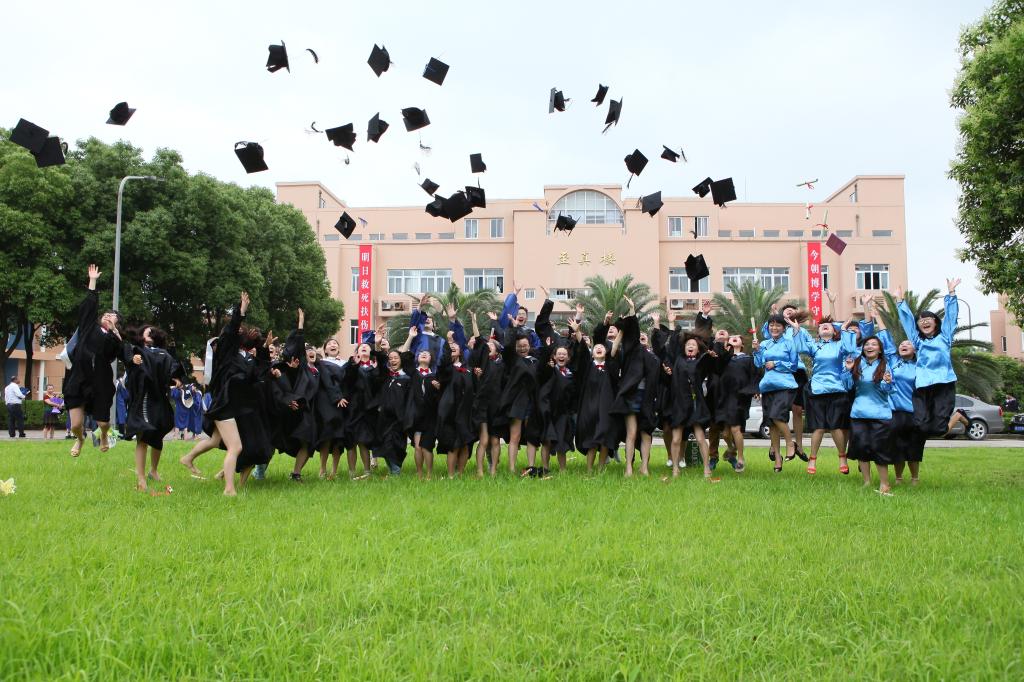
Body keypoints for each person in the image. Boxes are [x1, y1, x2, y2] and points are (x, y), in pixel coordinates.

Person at [179, 293, 274, 495]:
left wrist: (264, 348)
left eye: (242, 330)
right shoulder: (226, 352)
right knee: (236, 447)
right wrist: (241, 312)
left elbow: (259, 373)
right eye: (237, 329)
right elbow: (230, 331)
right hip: (225, 405)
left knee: (216, 441)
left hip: (237, 407)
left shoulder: (246, 357)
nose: (240, 330)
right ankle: (229, 488)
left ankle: (188, 458)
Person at [896, 280, 970, 437]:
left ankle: (959, 415)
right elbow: (907, 322)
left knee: (938, 429)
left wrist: (951, 293)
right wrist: (900, 301)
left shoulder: (945, 337)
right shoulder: (917, 341)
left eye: (928, 319)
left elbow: (951, 317)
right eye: (921, 320)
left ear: (936, 322)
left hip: (944, 384)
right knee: (921, 425)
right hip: (923, 386)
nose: (924, 321)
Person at [62, 265, 123, 456]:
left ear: (117, 323)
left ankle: (104, 434)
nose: (107, 316)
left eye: (112, 316)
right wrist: (93, 281)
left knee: (103, 423)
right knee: (76, 425)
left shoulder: (113, 338)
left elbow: (118, 352)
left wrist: (115, 333)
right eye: (105, 315)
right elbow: (89, 307)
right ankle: (80, 439)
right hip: (79, 378)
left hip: (100, 381)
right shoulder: (89, 328)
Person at [790, 315, 855, 475]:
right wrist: (797, 330)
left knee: (835, 427)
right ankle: (812, 459)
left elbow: (850, 349)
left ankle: (842, 457)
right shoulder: (814, 345)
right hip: (817, 389)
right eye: (821, 325)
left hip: (837, 389)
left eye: (829, 325)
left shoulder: (840, 344)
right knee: (818, 428)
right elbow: (799, 347)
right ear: (818, 332)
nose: (825, 326)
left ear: (834, 331)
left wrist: (844, 330)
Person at [122, 325, 183, 491]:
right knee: (143, 435)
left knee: (158, 434)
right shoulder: (136, 349)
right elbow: (128, 359)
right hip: (144, 397)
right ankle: (141, 478)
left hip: (160, 399)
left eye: (152, 331)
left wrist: (176, 379)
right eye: (146, 330)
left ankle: (153, 471)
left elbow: (171, 371)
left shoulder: (164, 354)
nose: (150, 332)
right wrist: (133, 360)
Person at [875, 309, 926, 486]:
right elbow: (885, 337)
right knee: (896, 447)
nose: (903, 345)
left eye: (908, 343)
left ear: (915, 349)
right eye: (901, 344)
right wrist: (877, 316)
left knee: (913, 447)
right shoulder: (892, 361)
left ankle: (915, 479)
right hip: (893, 412)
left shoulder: (920, 366)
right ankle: (898, 478)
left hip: (914, 412)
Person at [841, 336, 896, 495]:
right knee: (861, 448)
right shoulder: (857, 363)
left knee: (879, 449)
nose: (869, 347)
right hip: (859, 413)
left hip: (880, 414)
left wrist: (887, 382)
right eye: (867, 344)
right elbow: (847, 386)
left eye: (874, 344)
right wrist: (848, 370)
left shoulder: (885, 365)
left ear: (880, 349)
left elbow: (889, 390)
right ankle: (866, 482)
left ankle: (885, 484)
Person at [269, 310, 319, 482]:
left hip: (303, 411)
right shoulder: (278, 368)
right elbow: (278, 390)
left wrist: (301, 327)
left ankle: (296, 474)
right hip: (285, 410)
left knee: (308, 441)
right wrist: (300, 327)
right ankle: (248, 469)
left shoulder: (306, 368)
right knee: (268, 441)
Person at [753, 314, 800, 472]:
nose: (774, 328)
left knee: (776, 416)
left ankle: (790, 443)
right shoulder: (764, 344)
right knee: (771, 422)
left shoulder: (789, 343)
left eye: (778, 325)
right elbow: (758, 364)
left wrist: (777, 363)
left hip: (785, 385)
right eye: (771, 325)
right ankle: (778, 458)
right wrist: (757, 351)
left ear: (784, 328)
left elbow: (794, 365)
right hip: (767, 386)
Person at [710, 334, 759, 473]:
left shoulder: (748, 359)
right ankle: (731, 449)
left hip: (739, 396)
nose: (734, 337)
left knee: (736, 429)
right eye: (731, 337)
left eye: (738, 337)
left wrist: (755, 389)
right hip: (724, 397)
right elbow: (716, 370)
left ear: (742, 344)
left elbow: (754, 374)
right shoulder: (724, 358)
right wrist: (720, 352)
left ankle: (741, 459)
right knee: (726, 434)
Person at [403, 328, 442, 479]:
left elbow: (440, 398)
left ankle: (429, 475)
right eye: (421, 353)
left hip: (431, 417)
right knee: (418, 447)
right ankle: (420, 474)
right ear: (417, 358)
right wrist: (410, 337)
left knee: (427, 447)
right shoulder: (413, 373)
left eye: (427, 353)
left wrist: (439, 388)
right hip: (416, 416)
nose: (423, 354)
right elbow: (404, 355)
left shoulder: (436, 376)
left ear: (431, 359)